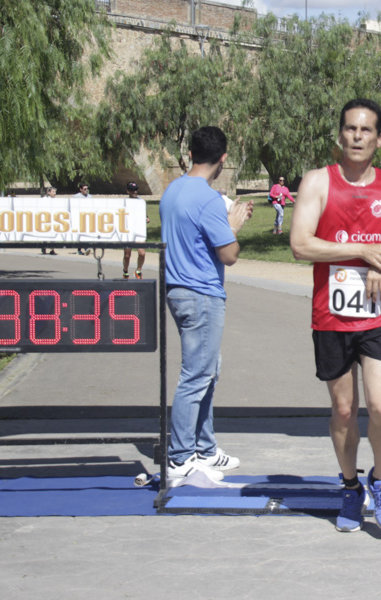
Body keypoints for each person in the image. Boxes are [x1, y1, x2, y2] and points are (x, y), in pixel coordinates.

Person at [289, 98, 381, 532]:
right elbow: (301, 245)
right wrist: (363, 252)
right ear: (339, 134)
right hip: (331, 315)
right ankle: (349, 486)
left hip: (380, 313)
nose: (357, 137)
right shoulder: (316, 182)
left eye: (366, 131)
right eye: (350, 129)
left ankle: (380, 478)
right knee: (344, 411)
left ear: (379, 139)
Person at [160, 126, 255, 480]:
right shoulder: (208, 199)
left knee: (207, 370)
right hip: (201, 294)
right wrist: (234, 226)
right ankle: (181, 457)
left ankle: (205, 448)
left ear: (190, 153)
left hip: (176, 289)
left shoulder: (172, 191)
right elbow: (228, 254)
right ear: (223, 158)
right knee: (196, 376)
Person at [122, 182, 148, 279]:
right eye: (133, 190)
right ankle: (125, 271)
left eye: (136, 189)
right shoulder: (124, 202)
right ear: (128, 191)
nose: (135, 191)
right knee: (127, 255)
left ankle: (138, 271)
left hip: (139, 230)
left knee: (142, 253)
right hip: (128, 231)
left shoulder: (141, 201)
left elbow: (145, 214)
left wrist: (146, 218)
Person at [72, 183, 92, 255]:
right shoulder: (76, 197)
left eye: (87, 189)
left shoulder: (89, 197)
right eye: (84, 189)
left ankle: (80, 249)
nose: (86, 190)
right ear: (80, 189)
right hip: (79, 217)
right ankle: (85, 248)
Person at [40, 186, 57, 255]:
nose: (55, 193)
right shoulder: (44, 199)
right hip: (45, 219)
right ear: (49, 192)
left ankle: (52, 249)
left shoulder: (56, 200)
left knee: (53, 235)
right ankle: (44, 247)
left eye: (55, 192)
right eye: (53, 192)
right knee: (45, 234)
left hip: (54, 219)